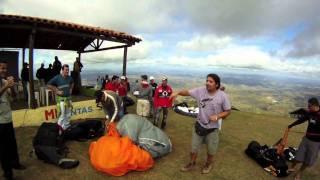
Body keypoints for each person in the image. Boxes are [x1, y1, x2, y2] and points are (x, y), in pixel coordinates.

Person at [170, 73, 231, 174]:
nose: (207, 83)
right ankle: (192, 163)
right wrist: (177, 92)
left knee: (211, 150)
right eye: (207, 80)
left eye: (210, 81)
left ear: (216, 84)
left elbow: (228, 111)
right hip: (199, 125)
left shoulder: (223, 96)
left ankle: (208, 164)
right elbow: (188, 92)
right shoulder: (200, 91)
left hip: (213, 128)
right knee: (194, 148)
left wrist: (217, 116)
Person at [0, 60, 26, 180]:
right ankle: (8, 172)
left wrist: (13, 87)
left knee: (12, 143)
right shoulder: (4, 83)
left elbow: (14, 98)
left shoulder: (5, 81)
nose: (4, 70)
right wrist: (6, 86)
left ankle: (15, 163)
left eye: (5, 68)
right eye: (2, 68)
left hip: (7, 118)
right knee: (3, 148)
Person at [287, 97, 320, 180]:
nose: (308, 108)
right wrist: (291, 125)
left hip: (315, 143)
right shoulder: (309, 113)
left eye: (309, 106)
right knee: (298, 156)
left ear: (315, 105)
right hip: (306, 139)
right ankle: (292, 167)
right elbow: (301, 120)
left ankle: (299, 173)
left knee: (308, 160)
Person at [47, 64, 74, 131]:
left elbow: (72, 82)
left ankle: (66, 127)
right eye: (66, 70)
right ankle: (59, 129)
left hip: (68, 99)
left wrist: (71, 89)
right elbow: (48, 84)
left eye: (68, 70)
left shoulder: (70, 77)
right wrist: (56, 91)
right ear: (62, 70)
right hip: (61, 100)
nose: (67, 71)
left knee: (68, 114)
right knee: (62, 115)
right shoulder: (57, 78)